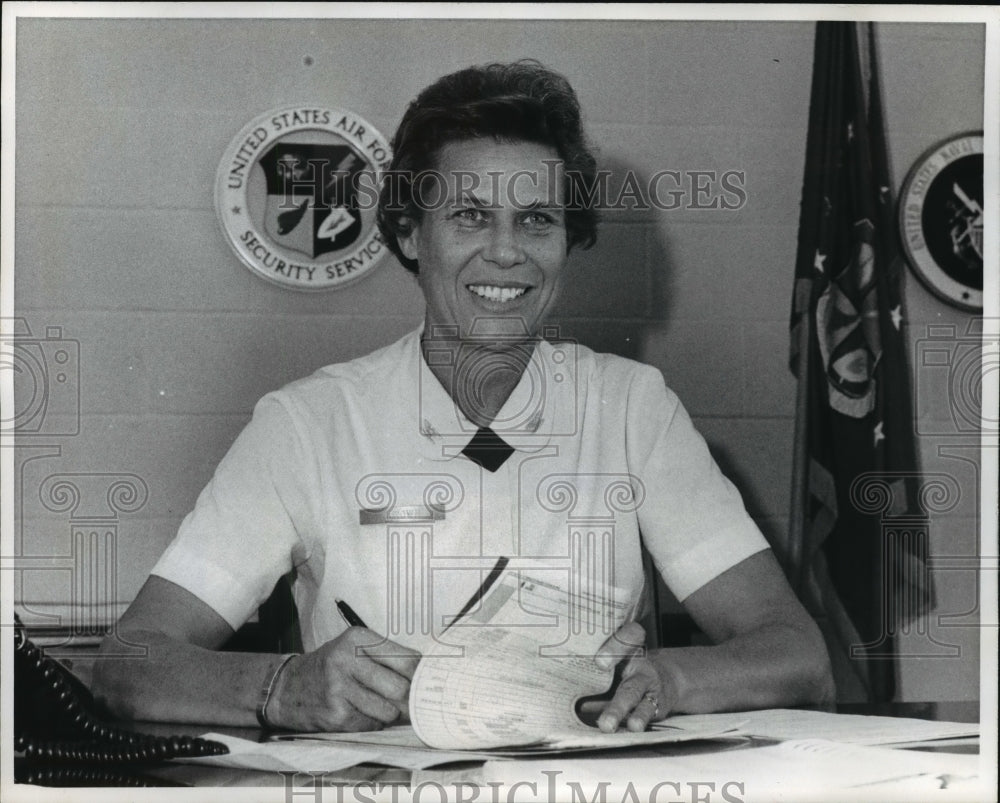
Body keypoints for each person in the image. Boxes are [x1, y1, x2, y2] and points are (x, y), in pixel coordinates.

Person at [93, 61, 833, 734]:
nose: (506, 252)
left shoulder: (633, 407)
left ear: (567, 239)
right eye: (471, 215)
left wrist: (668, 679)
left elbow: (796, 652)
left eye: (537, 219)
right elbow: (130, 660)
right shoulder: (307, 424)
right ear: (412, 234)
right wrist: (281, 685)